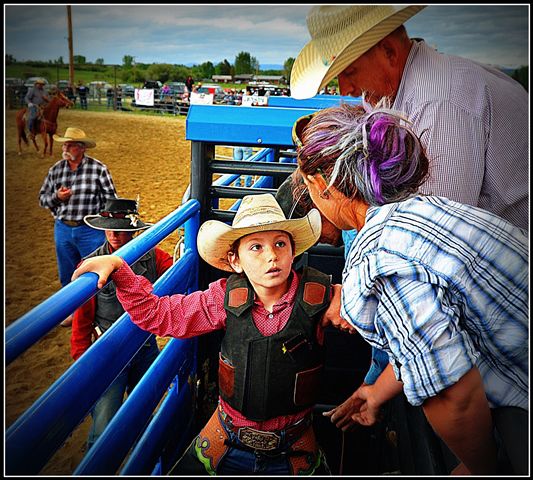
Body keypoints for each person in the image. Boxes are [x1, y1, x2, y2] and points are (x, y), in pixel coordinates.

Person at [292, 101, 528, 475]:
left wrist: (478, 467)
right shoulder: (422, 210)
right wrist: (375, 393)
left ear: (321, 185)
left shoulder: (381, 260)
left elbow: (452, 394)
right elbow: (433, 341)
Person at [71, 193, 356, 475]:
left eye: (280, 243)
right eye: (256, 247)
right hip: (228, 438)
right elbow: (161, 315)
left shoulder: (323, 297)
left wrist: (348, 301)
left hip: (294, 447)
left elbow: (384, 321)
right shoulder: (223, 298)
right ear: (235, 261)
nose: (272, 255)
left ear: (293, 252)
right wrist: (120, 270)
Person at [290, 5, 528, 230]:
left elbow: (436, 225)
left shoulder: (439, 101)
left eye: (350, 72)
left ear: (389, 52)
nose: (345, 89)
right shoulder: (393, 91)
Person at [70, 197, 173, 450]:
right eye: (109, 227)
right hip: (110, 350)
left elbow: (177, 273)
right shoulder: (91, 266)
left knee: (143, 408)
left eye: (122, 230)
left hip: (144, 345)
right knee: (104, 425)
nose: (114, 235)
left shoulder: (154, 258)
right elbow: (81, 320)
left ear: (134, 230)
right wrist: (82, 361)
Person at [39, 127, 117, 326]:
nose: (65, 147)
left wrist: (105, 223)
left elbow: (110, 200)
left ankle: (97, 312)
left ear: (81, 148)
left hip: (89, 228)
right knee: (66, 271)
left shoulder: (98, 169)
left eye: (70, 144)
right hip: (63, 228)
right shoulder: (56, 170)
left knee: (95, 271)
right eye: (65, 143)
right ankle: (71, 311)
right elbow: (43, 199)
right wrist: (57, 197)